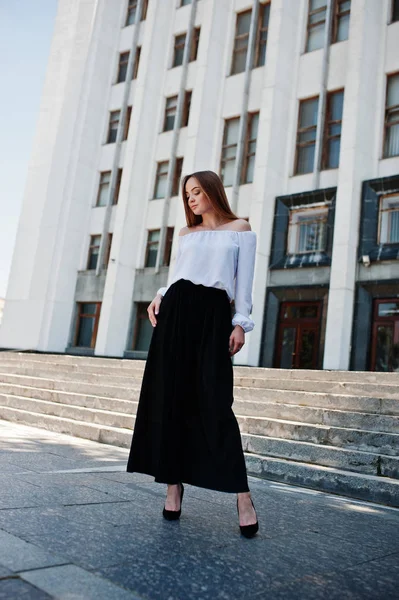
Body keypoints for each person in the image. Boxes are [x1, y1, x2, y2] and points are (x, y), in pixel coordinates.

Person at [127, 170, 259, 538]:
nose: (191, 200)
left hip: (213, 317)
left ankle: (242, 496)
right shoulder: (186, 234)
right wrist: (159, 294)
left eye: (197, 192)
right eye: (187, 195)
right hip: (175, 315)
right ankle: (173, 486)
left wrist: (240, 323)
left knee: (216, 403)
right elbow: (176, 275)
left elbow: (243, 283)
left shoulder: (241, 229)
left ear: (214, 191)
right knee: (172, 400)